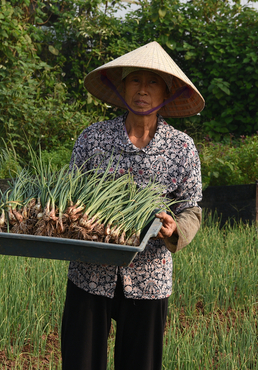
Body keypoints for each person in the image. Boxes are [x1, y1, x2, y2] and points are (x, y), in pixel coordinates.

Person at [61, 41, 205, 370]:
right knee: (79, 361)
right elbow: (70, 194)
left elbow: (192, 209)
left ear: (167, 93)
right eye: (135, 80)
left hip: (148, 279)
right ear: (123, 87)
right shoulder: (93, 138)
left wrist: (174, 229)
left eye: (152, 82)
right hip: (90, 273)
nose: (142, 89)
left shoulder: (181, 147)